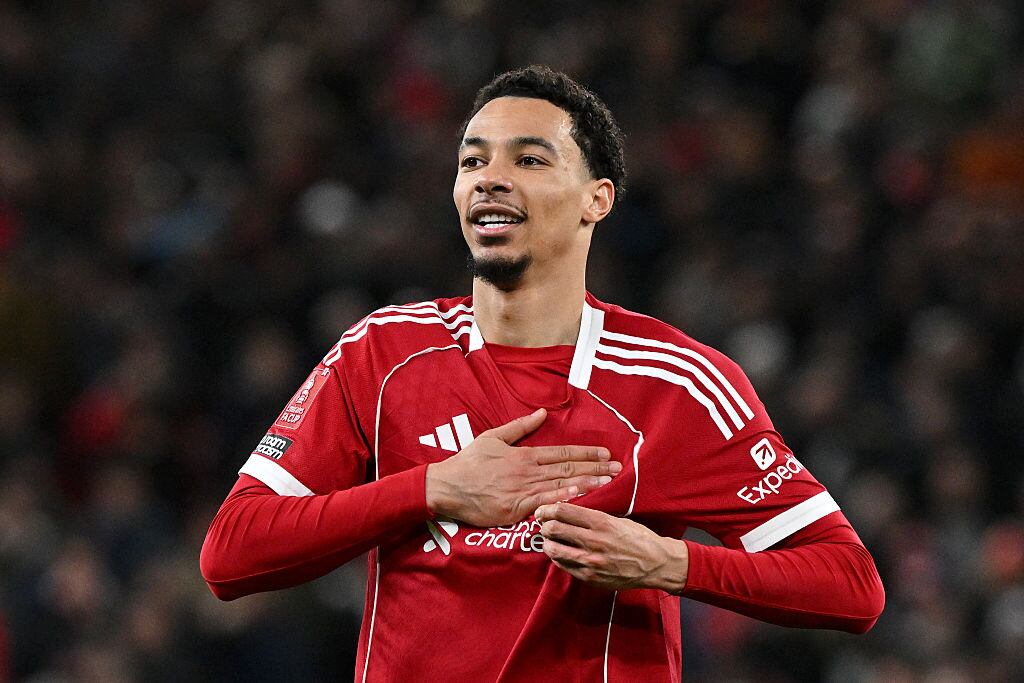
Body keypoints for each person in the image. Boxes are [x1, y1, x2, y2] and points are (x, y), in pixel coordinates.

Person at [200, 65, 884, 681]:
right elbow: (231, 554)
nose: (490, 177)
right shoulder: (381, 352)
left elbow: (851, 585)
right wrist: (432, 488)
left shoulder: (676, 384)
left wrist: (669, 564)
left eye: (529, 158)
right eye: (473, 161)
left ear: (597, 200)